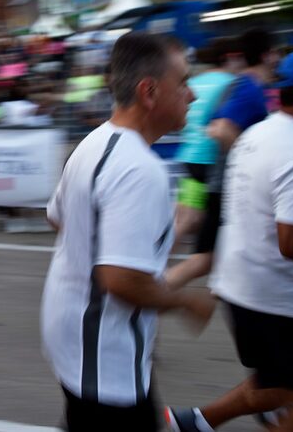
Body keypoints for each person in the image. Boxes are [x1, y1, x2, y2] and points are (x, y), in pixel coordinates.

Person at [41, 32, 215, 432]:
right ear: (149, 91)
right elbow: (120, 279)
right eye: (184, 82)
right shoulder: (141, 168)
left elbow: (59, 217)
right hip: (105, 357)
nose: (193, 95)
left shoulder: (93, 143)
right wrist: (185, 302)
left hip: (73, 336)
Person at [164, 48, 293, 432]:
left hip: (244, 291)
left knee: (285, 381)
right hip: (281, 301)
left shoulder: (259, 133)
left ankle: (198, 423)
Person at [166, 28, 276, 289]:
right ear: (229, 58)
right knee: (205, 250)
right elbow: (219, 128)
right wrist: (251, 156)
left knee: (186, 223)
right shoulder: (237, 84)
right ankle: (149, 291)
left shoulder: (210, 81)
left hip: (192, 161)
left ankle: (152, 267)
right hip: (213, 170)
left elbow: (206, 123)